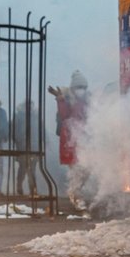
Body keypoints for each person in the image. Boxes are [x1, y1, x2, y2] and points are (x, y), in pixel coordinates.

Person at [49, 71, 91, 209]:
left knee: (86, 170)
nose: (81, 90)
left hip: (84, 141)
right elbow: (64, 116)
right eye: (79, 87)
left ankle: (76, 193)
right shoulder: (67, 100)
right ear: (73, 88)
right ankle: (76, 198)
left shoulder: (89, 100)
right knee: (76, 170)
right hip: (70, 141)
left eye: (83, 87)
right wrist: (60, 99)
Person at [13, 99, 40, 197]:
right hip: (22, 145)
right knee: (23, 168)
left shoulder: (35, 116)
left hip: (34, 145)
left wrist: (45, 140)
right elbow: (14, 130)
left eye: (31, 105)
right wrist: (18, 140)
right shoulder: (19, 116)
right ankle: (19, 185)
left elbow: (41, 128)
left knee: (32, 169)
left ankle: (33, 189)